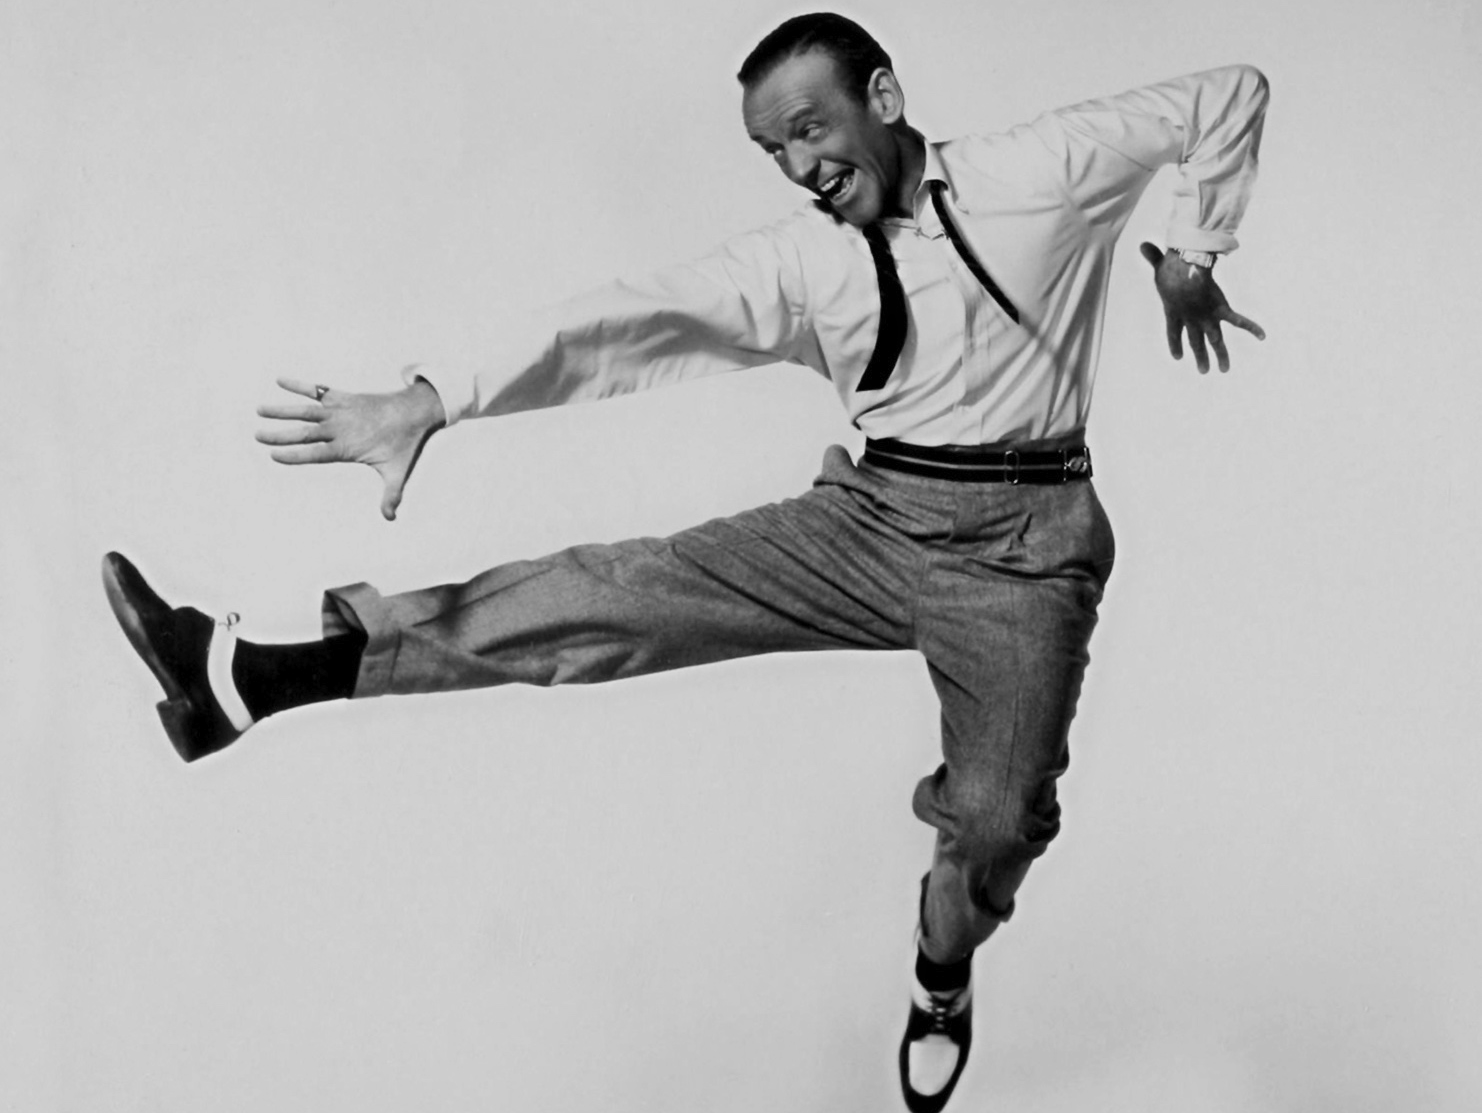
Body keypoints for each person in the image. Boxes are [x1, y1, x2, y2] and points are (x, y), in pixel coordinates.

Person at [102, 13, 1268, 1111]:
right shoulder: (800, 262)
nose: (802, 167)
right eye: (774, 151)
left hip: (1029, 555)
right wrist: (431, 400)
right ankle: (255, 675)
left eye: (811, 129)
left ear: (884, 97)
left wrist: (1195, 252)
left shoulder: (1041, 171)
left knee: (1003, 818)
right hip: (872, 520)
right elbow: (619, 321)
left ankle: (941, 963)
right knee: (611, 597)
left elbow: (1228, 96)